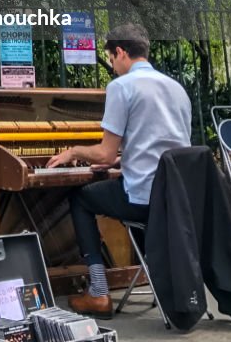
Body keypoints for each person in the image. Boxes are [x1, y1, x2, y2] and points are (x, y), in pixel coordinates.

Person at [46, 23, 191, 318]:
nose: (112, 67)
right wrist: (123, 162)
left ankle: (98, 292)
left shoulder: (121, 87)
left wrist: (73, 152)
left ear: (121, 52)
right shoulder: (176, 88)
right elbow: (166, 150)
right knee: (111, 187)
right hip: (177, 199)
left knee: (81, 198)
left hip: (144, 200)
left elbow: (103, 152)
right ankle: (142, 271)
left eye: (111, 59)